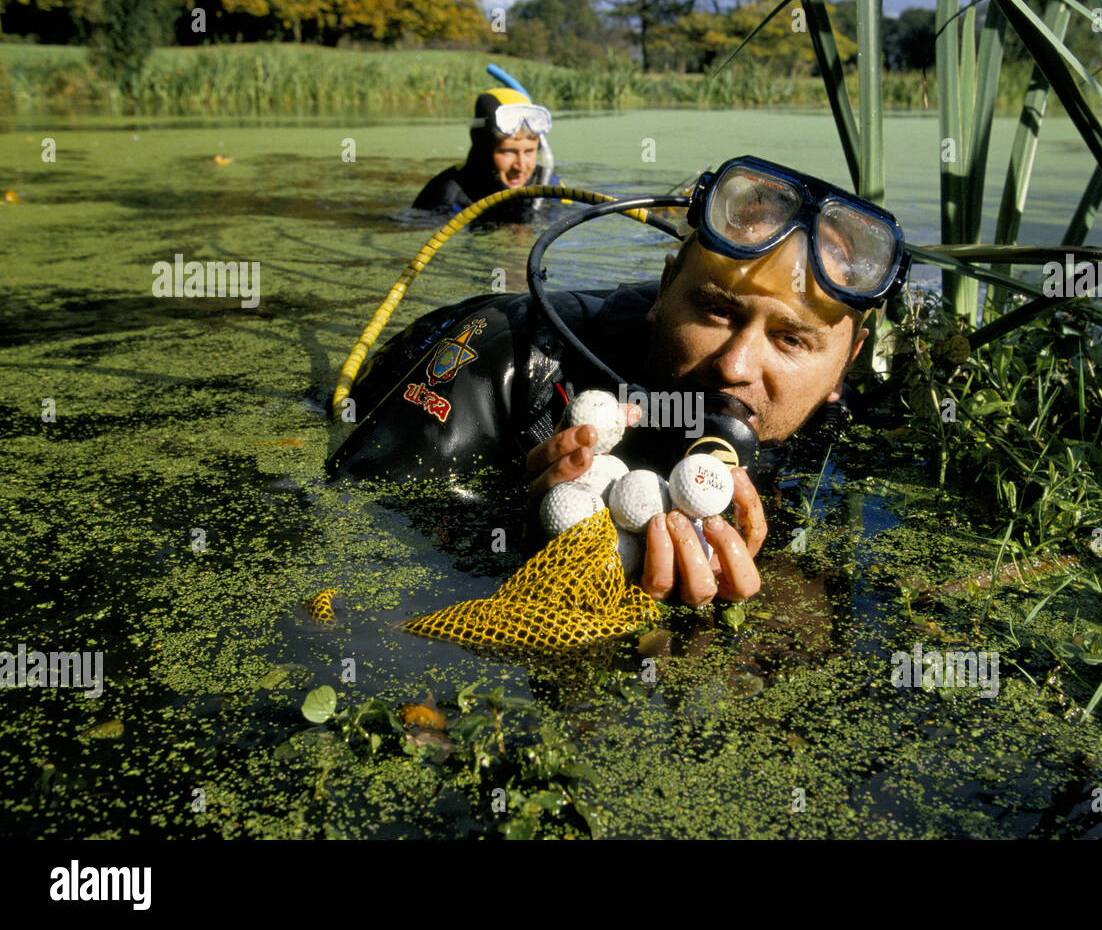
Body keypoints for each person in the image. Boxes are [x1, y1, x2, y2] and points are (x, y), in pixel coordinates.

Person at [333, 156, 911, 607]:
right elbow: (356, 529)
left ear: (845, 364)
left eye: (792, 340)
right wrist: (515, 537)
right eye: (717, 312)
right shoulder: (508, 358)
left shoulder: (849, 429)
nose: (736, 366)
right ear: (664, 292)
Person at [412, 87, 560, 221]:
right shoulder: (448, 195)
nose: (520, 166)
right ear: (483, 150)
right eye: (507, 152)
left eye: (529, 151)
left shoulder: (548, 185)